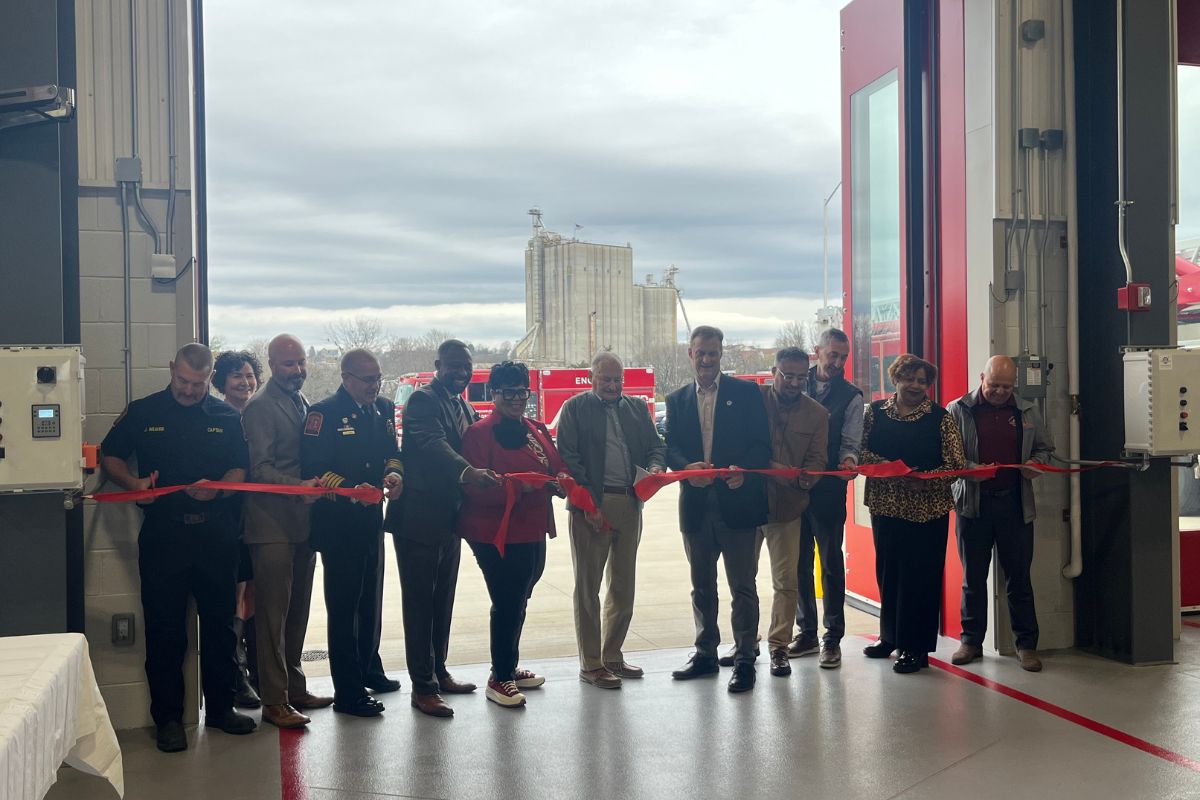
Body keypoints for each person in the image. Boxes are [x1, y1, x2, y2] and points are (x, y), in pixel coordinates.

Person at [100, 343, 256, 753]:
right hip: (164, 537)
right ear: (172, 369)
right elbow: (110, 456)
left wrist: (220, 489)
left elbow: (241, 466)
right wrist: (132, 485)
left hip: (215, 536)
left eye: (198, 384)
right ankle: (168, 719)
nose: (189, 391)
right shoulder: (144, 411)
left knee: (221, 626)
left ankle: (221, 709)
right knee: (165, 629)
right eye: (183, 381)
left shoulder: (227, 416)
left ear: (210, 380)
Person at [385, 339, 498, 718]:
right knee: (419, 603)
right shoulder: (423, 401)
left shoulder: (463, 404)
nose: (461, 373)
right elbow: (433, 444)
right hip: (419, 518)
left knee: (442, 600)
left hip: (451, 519)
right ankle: (423, 687)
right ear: (438, 365)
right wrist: (467, 472)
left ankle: (439, 670)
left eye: (466, 366)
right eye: (453, 366)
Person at [665, 325, 772, 693]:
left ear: (721, 354)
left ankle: (744, 659)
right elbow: (671, 447)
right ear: (690, 354)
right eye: (700, 352)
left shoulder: (746, 393)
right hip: (695, 506)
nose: (707, 359)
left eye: (713, 352)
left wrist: (745, 471)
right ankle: (705, 654)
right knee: (701, 587)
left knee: (743, 586)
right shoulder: (676, 398)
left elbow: (763, 446)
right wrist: (685, 467)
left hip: (738, 504)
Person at [458, 361, 568, 708]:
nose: (517, 398)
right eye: (509, 392)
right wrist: (524, 488)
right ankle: (499, 677)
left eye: (522, 391)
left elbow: (556, 463)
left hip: (532, 527)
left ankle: (507, 663)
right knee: (507, 600)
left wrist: (562, 480)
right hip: (494, 531)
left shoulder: (535, 428)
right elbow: (475, 490)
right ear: (494, 394)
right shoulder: (478, 434)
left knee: (522, 596)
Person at [301, 349, 403, 717]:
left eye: (378, 378)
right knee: (344, 608)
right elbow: (314, 467)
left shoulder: (382, 409)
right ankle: (348, 691)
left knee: (370, 601)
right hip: (339, 524)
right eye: (367, 379)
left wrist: (394, 475)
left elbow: (393, 452)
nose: (375, 385)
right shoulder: (323, 413)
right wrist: (350, 489)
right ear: (346, 378)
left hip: (372, 520)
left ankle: (368, 668)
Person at [557, 352, 666, 689]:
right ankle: (591, 664)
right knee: (587, 588)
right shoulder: (575, 409)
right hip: (592, 506)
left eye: (618, 379)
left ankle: (613, 655)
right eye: (606, 378)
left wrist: (657, 468)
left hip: (630, 503)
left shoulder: (635, 408)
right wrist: (587, 504)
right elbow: (568, 458)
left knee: (623, 585)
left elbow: (655, 446)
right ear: (592, 378)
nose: (612, 385)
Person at [241, 335, 331, 728]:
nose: (297, 370)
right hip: (270, 526)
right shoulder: (260, 407)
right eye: (288, 364)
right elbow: (258, 470)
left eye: (300, 362)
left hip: (301, 525)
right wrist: (300, 488)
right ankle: (274, 700)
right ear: (272, 364)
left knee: (297, 613)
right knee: (273, 618)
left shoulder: (301, 401)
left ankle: (294, 687)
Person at [859, 354, 966, 674]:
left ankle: (916, 647)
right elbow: (859, 451)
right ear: (896, 379)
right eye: (909, 379)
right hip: (886, 506)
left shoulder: (940, 417)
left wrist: (928, 480)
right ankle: (890, 637)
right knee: (889, 573)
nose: (916, 386)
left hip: (927, 509)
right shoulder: (873, 412)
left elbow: (957, 464)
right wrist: (891, 472)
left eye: (922, 381)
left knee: (921, 578)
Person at [947, 355, 1055, 672]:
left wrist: (1037, 465)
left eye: (1006, 387)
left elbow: (1046, 449)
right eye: (994, 385)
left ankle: (1026, 646)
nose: (999, 392)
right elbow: (946, 457)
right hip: (973, 506)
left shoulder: (1027, 411)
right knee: (973, 579)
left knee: (1019, 579)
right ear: (982, 378)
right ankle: (970, 642)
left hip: (1015, 506)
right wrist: (969, 471)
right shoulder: (958, 409)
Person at [752, 347, 829, 678]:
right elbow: (742, 447)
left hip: (788, 508)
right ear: (774, 371)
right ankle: (745, 642)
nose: (795, 382)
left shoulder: (817, 415)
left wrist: (806, 478)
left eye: (801, 376)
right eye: (788, 375)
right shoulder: (752, 401)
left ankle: (778, 647)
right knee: (743, 581)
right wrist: (773, 468)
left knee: (786, 582)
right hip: (748, 504)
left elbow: (817, 460)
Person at [792, 327, 864, 668]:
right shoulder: (793, 381)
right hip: (789, 488)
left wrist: (850, 461)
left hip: (829, 491)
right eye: (832, 354)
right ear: (816, 351)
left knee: (831, 561)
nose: (837, 362)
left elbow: (850, 442)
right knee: (796, 561)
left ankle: (831, 638)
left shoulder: (851, 396)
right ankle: (804, 633)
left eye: (843, 357)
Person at [212, 350, 263, 710]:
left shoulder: (261, 415)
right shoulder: (218, 417)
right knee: (236, 598)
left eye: (249, 375)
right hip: (228, 520)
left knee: (256, 597)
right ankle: (237, 675)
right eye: (236, 377)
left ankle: (260, 673)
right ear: (221, 383)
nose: (245, 382)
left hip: (262, 519)